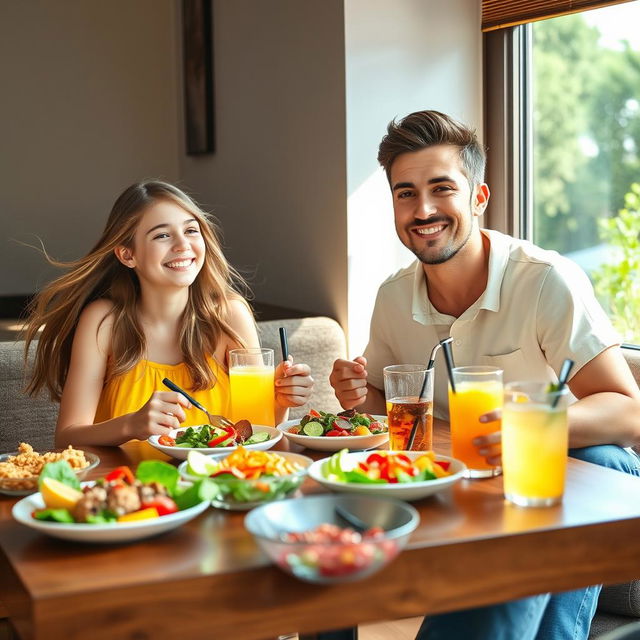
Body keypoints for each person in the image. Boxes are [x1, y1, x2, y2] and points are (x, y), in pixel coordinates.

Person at [329, 110, 640, 640]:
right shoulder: (392, 296)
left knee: (597, 456)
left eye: (441, 188)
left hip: (558, 476)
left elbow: (627, 409)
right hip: (464, 487)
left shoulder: (546, 280)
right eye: (405, 193)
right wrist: (357, 394)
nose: (422, 209)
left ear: (478, 196)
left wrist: (524, 427)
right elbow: (385, 405)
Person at [24, 180, 313, 447]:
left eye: (190, 230)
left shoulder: (229, 315)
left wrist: (282, 401)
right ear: (128, 255)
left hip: (220, 486)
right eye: (162, 235)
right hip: (132, 493)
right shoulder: (104, 322)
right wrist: (131, 424)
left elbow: (261, 435)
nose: (182, 245)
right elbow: (66, 438)